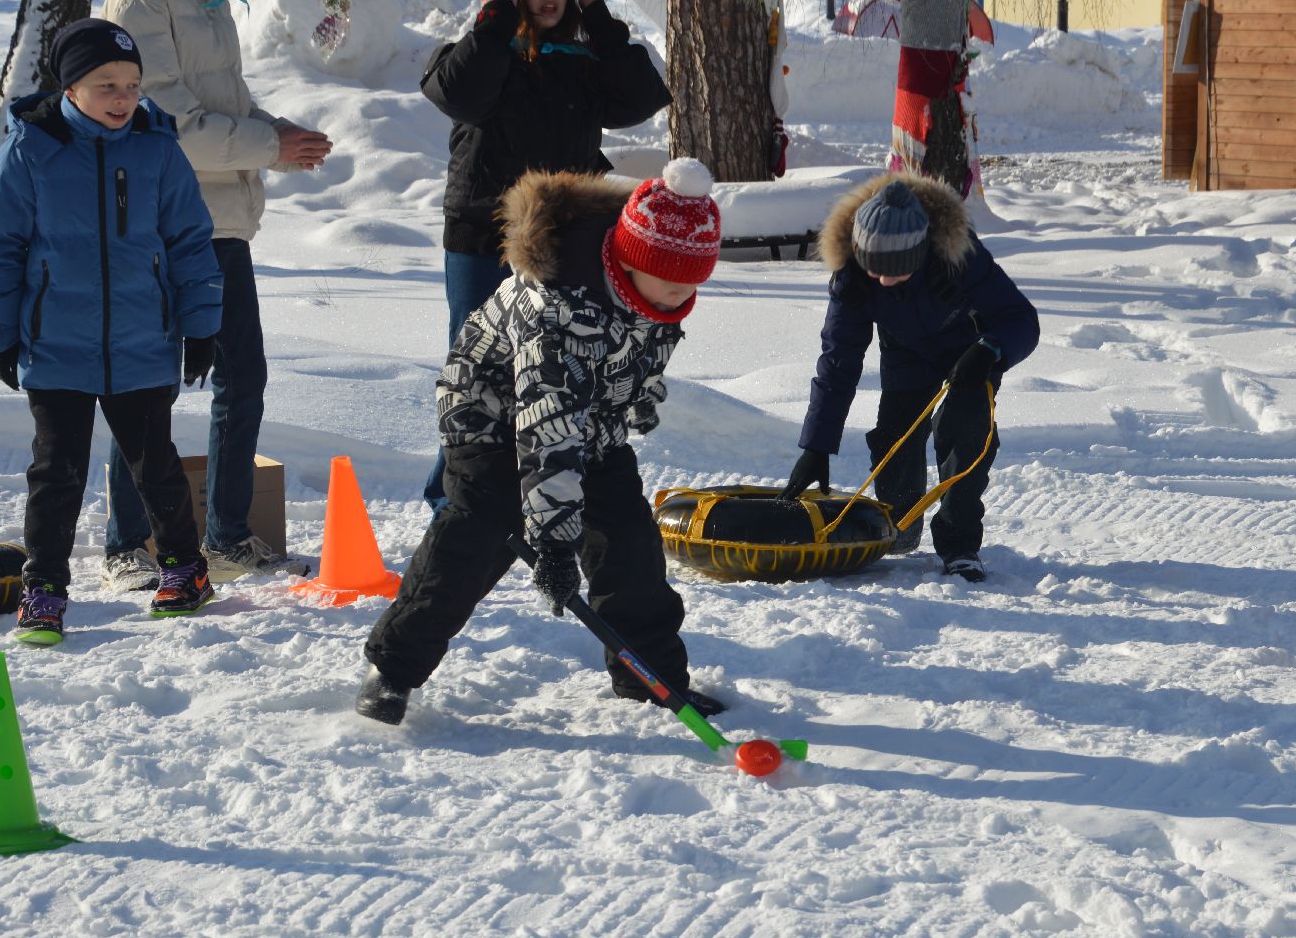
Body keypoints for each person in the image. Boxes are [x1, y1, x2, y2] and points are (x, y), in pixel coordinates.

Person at [355, 159, 725, 726]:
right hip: (491, 415)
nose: (681, 294)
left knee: (628, 540)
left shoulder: (658, 295)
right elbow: (546, 421)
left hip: (588, 420)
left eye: (692, 282)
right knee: (478, 531)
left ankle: (653, 681)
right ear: (629, 258)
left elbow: (632, 360)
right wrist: (553, 545)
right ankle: (393, 669)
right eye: (671, 280)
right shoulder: (556, 305)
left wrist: (637, 404)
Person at [0, 18, 223, 643]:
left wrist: (201, 326)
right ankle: (45, 589)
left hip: (144, 338)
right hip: (55, 339)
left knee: (154, 464)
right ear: (70, 87)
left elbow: (191, 241)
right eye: (106, 83)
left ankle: (185, 570)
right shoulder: (32, 149)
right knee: (56, 471)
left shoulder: (157, 148)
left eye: (132, 84)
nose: (122, 98)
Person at [98, 0, 332, 588]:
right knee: (147, 383)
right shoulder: (140, 5)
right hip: (161, 221)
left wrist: (279, 135)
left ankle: (226, 535)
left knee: (242, 377)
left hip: (222, 225)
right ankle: (126, 544)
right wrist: (268, 145)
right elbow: (170, 123)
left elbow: (224, 103)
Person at [417, 0, 671, 512]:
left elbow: (643, 97)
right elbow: (458, 94)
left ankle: (544, 497)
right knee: (478, 372)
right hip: (483, 236)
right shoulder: (481, 49)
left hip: (564, 239)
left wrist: (598, 19)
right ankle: (457, 502)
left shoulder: (583, 57)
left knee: (556, 370)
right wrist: (495, 23)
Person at [780, 176, 1040, 582]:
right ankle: (898, 529)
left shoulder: (960, 256)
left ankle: (959, 544)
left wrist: (990, 351)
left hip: (973, 354)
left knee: (965, 433)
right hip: (908, 354)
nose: (882, 280)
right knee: (895, 437)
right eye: (875, 270)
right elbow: (838, 361)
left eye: (895, 272)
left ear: (920, 255)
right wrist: (816, 445)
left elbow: (1021, 320)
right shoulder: (853, 281)